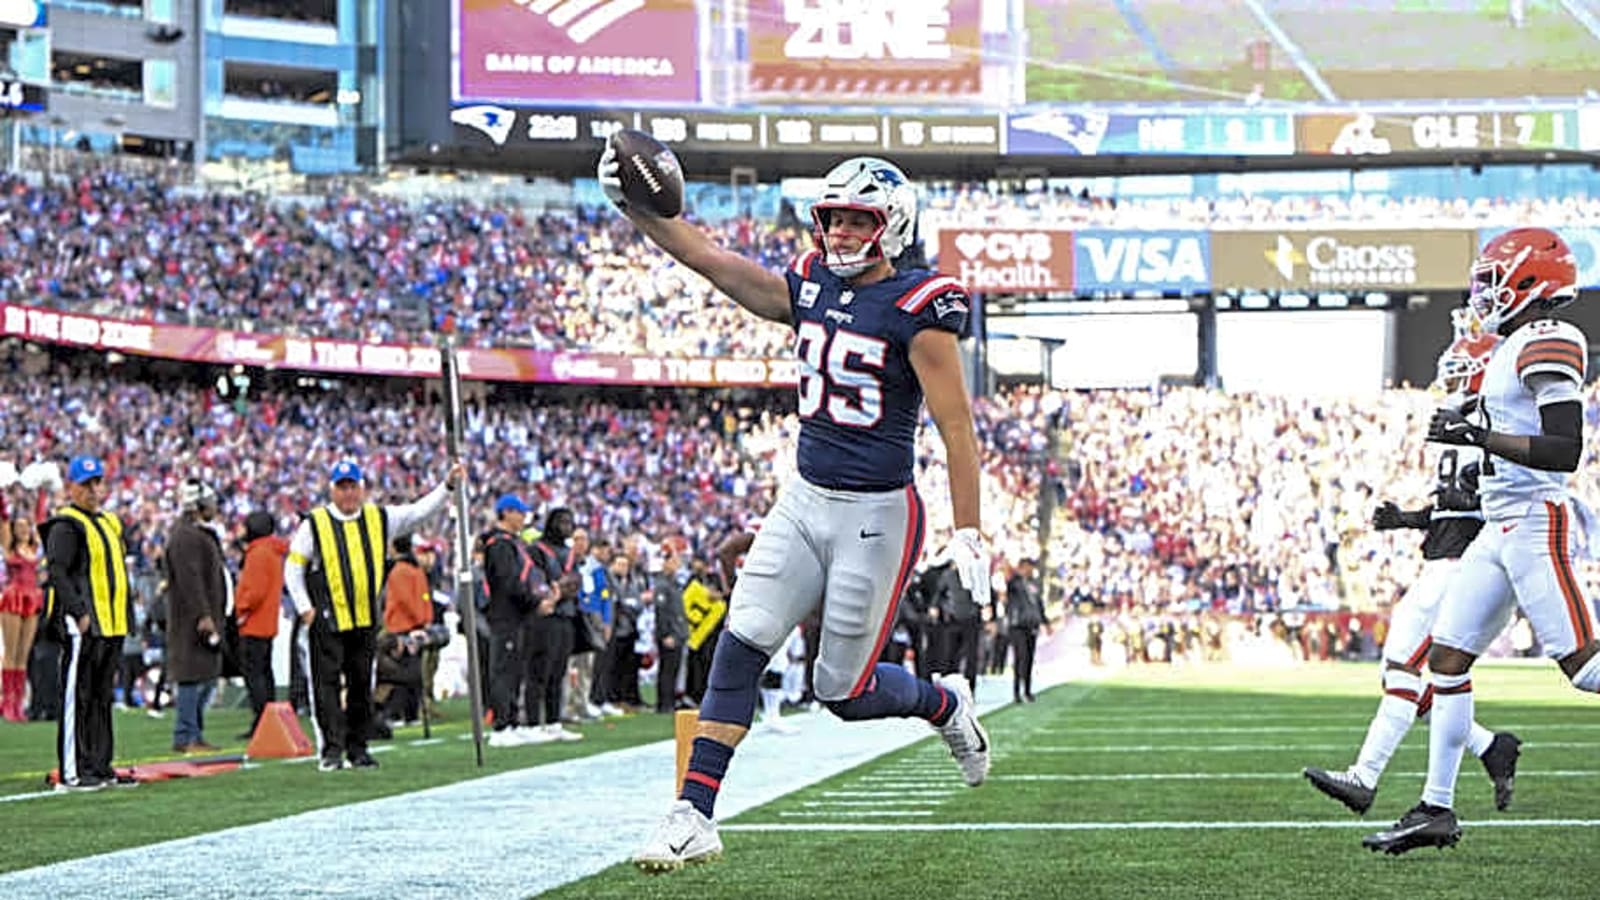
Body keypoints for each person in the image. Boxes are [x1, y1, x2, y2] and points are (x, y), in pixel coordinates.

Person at [600, 151, 992, 871]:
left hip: (876, 517)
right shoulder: (809, 282)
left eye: (857, 220)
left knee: (840, 692)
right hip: (805, 499)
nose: (840, 233)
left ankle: (943, 703)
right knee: (741, 638)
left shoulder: (922, 307)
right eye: (833, 219)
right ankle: (694, 814)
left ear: (893, 226)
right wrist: (635, 207)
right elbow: (711, 260)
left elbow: (957, 427)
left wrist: (970, 529)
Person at [1365, 228, 1600, 854]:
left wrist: (1478, 438)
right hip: (1496, 528)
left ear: (1530, 281)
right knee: (1446, 662)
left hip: (1532, 521)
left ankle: (1434, 806)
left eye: (1496, 280)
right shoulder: (1511, 345)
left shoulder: (1552, 338)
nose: (1485, 293)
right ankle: (1435, 809)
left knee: (1584, 668)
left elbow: (1564, 449)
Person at [1304, 316, 1520, 815]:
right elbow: (1452, 510)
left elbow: (1507, 500)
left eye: (1462, 371)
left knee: (1408, 668)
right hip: (1442, 562)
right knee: (1400, 671)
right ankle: (1489, 747)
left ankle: (1364, 778)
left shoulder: (1501, 423)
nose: (1450, 382)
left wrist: (1480, 490)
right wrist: (1408, 518)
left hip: (1467, 568)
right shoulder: (1457, 426)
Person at [284, 459, 464, 772]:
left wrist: (446, 486)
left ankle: (358, 747)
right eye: (342, 488)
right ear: (332, 491)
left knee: (361, 685)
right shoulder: (315, 523)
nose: (349, 494)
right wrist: (305, 607)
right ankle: (331, 750)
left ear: (363, 488)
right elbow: (293, 566)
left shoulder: (379, 518)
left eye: (353, 486)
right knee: (325, 686)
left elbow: (418, 511)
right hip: (328, 617)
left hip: (365, 618)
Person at [42, 455, 133, 790]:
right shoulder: (65, 525)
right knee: (77, 697)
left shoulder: (110, 522)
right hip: (84, 624)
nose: (94, 490)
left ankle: (100, 765)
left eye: (98, 483)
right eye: (87, 485)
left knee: (101, 695)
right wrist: (78, 611)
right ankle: (73, 770)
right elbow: (57, 572)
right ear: (72, 488)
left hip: (111, 623)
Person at [479, 494, 550, 747]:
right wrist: (534, 600)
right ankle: (501, 725)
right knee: (503, 670)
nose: (522, 519)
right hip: (505, 615)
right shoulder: (499, 545)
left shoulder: (511, 543)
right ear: (506, 513)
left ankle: (512, 719)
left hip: (517, 615)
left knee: (514, 669)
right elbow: (509, 583)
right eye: (519, 513)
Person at [164, 480, 229, 753]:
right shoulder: (186, 537)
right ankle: (186, 735)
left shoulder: (197, 534)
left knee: (205, 675)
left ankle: (195, 732)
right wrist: (203, 613)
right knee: (191, 677)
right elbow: (191, 579)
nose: (215, 507)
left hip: (205, 615)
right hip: (191, 620)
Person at [235, 510, 286, 738]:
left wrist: (240, 609)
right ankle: (268, 717)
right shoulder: (272, 552)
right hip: (267, 621)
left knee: (255, 674)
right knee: (265, 672)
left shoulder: (258, 554)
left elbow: (254, 592)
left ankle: (262, 720)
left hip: (254, 622)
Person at [1, 516, 44, 722]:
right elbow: (2, 522)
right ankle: (7, 702)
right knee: (11, 652)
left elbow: (41, 516)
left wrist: (43, 492)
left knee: (23, 655)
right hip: (14, 597)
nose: (23, 529)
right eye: (18, 526)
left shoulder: (34, 548)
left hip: (32, 598)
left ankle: (18, 703)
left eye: (26, 525)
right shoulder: (10, 549)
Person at [1005, 558, 1045, 703]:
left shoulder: (1035, 584)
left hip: (1031, 624)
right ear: (1021, 568)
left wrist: (1044, 620)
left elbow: (1039, 604)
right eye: (1027, 567)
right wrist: (1014, 573)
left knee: (1028, 659)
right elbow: (1009, 587)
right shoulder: (1015, 583)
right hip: (1018, 625)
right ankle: (1016, 692)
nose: (1029, 570)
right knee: (1020, 658)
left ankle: (1027, 690)